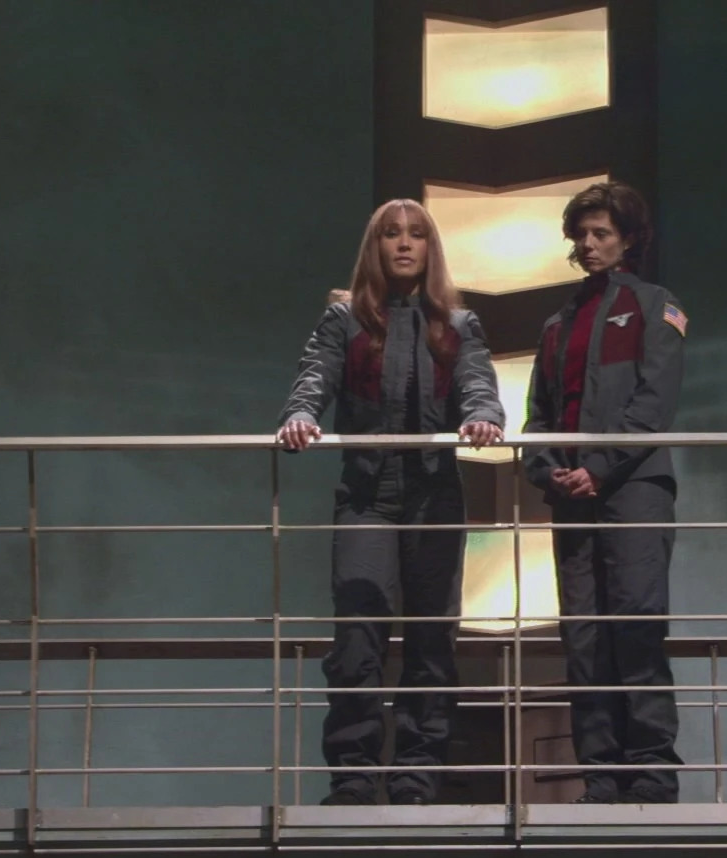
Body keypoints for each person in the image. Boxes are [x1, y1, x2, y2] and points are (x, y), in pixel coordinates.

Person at [278, 200, 504, 805]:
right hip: (366, 496)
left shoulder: (458, 323)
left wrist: (483, 414)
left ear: (431, 248)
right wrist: (301, 414)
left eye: (416, 234)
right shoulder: (345, 319)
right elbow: (315, 375)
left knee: (432, 641)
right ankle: (353, 778)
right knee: (357, 636)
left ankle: (416, 779)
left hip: (435, 495)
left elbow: (477, 381)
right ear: (374, 247)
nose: (404, 244)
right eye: (391, 234)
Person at [521, 181, 686, 804]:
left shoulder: (655, 305)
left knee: (635, 623)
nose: (588, 245)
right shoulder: (556, 324)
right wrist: (547, 472)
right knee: (584, 635)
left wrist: (599, 466)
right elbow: (538, 417)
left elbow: (654, 402)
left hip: (634, 488)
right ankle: (601, 778)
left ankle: (651, 774)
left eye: (602, 234)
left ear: (628, 239)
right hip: (572, 496)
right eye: (582, 235)